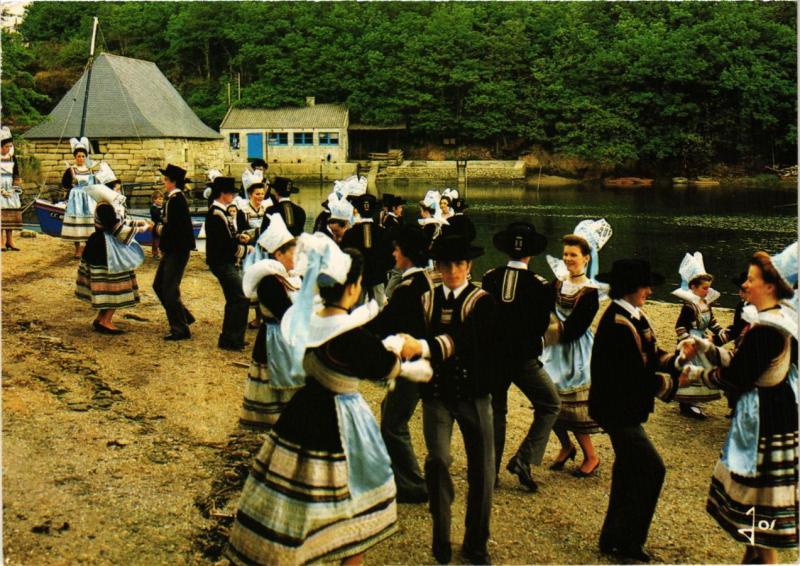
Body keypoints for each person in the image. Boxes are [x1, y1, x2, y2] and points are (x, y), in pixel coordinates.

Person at [227, 237, 432, 565]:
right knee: (351, 502)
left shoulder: (309, 319)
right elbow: (383, 365)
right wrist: (409, 362)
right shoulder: (348, 333)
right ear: (352, 287)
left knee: (294, 494)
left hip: (303, 411)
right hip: (340, 417)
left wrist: (389, 347)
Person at [680, 243, 798, 562]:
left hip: (767, 423)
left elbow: (735, 376)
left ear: (771, 286)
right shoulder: (769, 321)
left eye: (750, 279)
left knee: (762, 517)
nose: (744, 285)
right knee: (756, 523)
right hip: (767, 415)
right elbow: (739, 360)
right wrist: (705, 346)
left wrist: (691, 376)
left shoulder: (770, 328)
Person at [405, 234, 498, 564]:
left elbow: (470, 340)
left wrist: (427, 347)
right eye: (447, 264)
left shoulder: (483, 300)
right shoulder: (425, 300)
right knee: (438, 461)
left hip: (474, 395)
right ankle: (441, 538)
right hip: (437, 395)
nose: (454, 270)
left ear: (469, 266)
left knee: (483, 471)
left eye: (460, 264)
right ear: (438, 267)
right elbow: (401, 326)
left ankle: (476, 542)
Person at [589, 258, 684, 563]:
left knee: (629, 469)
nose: (650, 291)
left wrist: (679, 359)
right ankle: (630, 541)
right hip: (617, 410)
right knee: (651, 469)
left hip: (623, 409)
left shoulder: (633, 316)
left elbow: (651, 353)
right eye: (645, 286)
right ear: (631, 287)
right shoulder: (618, 323)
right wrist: (675, 383)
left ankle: (613, 536)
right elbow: (631, 377)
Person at [482, 221, 560, 492]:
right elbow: (541, 327)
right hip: (523, 360)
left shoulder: (490, 277)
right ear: (531, 254)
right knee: (550, 404)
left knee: (496, 413)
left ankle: (489, 475)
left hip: (493, 359)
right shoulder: (541, 285)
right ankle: (523, 459)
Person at [368, 225, 434, 503]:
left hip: (414, 361)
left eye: (397, 249)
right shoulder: (427, 280)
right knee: (390, 412)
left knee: (394, 422)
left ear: (406, 254)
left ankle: (412, 484)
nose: (393, 253)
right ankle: (398, 476)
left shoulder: (408, 288)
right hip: (424, 358)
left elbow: (386, 324)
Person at [542, 220, 612, 477]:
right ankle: (565, 446)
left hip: (574, 351)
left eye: (574, 255)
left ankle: (591, 456)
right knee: (548, 402)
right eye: (566, 255)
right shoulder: (558, 284)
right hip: (553, 348)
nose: (569, 259)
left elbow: (575, 329)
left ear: (586, 258)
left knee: (574, 406)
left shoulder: (589, 292)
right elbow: (542, 308)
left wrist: (547, 331)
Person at [239, 213, 301, 427]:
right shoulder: (269, 281)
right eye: (294, 252)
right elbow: (285, 312)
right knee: (276, 378)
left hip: (284, 334)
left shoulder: (287, 276)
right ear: (278, 254)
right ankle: (273, 419)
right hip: (275, 338)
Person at [75, 183, 151, 334]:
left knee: (109, 283)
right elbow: (117, 228)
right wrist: (141, 229)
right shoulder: (105, 207)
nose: (117, 193)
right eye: (115, 190)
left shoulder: (103, 206)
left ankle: (101, 318)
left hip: (99, 245)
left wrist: (136, 223)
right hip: (106, 249)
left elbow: (116, 222)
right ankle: (105, 321)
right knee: (114, 283)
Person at [671, 252, 726, 420]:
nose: (707, 291)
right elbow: (679, 326)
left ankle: (695, 400)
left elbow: (712, 322)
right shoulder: (689, 306)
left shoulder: (705, 304)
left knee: (703, 369)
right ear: (693, 287)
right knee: (691, 369)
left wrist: (721, 332)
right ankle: (687, 403)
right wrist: (688, 341)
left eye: (708, 287)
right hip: (692, 341)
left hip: (701, 338)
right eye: (704, 288)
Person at [205, 176, 252, 351]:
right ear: (223, 194)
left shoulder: (220, 212)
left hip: (223, 261)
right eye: (231, 193)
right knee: (240, 297)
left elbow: (226, 238)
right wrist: (245, 250)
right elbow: (224, 244)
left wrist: (238, 237)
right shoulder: (216, 214)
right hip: (222, 262)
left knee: (234, 298)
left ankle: (230, 337)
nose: (233, 196)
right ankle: (233, 339)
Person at [152, 164, 196, 341]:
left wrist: (157, 229)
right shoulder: (174, 198)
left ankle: (180, 328)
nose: (164, 182)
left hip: (177, 250)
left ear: (172, 182)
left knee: (169, 289)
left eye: (166, 180)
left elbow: (174, 228)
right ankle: (183, 317)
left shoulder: (176, 200)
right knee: (159, 285)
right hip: (173, 248)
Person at [341, 193, 394, 306]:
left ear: (358, 210)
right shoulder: (383, 232)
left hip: (358, 277)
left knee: (357, 310)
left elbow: (344, 257)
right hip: (378, 276)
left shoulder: (350, 233)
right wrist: (383, 269)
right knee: (379, 310)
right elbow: (390, 256)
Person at [61, 137, 97, 259]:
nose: (80, 158)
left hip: (88, 198)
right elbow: (65, 185)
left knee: (89, 223)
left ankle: (88, 248)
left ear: (85, 157)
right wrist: (69, 192)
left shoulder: (90, 170)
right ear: (75, 157)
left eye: (83, 156)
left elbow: (95, 184)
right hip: (76, 199)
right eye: (78, 156)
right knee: (76, 222)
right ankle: (77, 249)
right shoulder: (71, 170)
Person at [0, 127, 22, 251]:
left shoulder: (12, 157)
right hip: (0, 186)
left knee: (11, 214)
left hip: (10, 187)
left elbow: (16, 173)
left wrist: (14, 187)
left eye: (10, 146)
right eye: (6, 146)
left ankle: (10, 241)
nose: (8, 149)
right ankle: (1, 241)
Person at [149, 190, 164, 259]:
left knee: (162, 239)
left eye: (162, 199)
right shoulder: (153, 207)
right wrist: (161, 210)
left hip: (162, 226)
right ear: (154, 200)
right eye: (159, 199)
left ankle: (162, 252)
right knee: (155, 240)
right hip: (155, 225)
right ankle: (155, 253)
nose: (161, 201)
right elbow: (156, 215)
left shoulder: (162, 207)